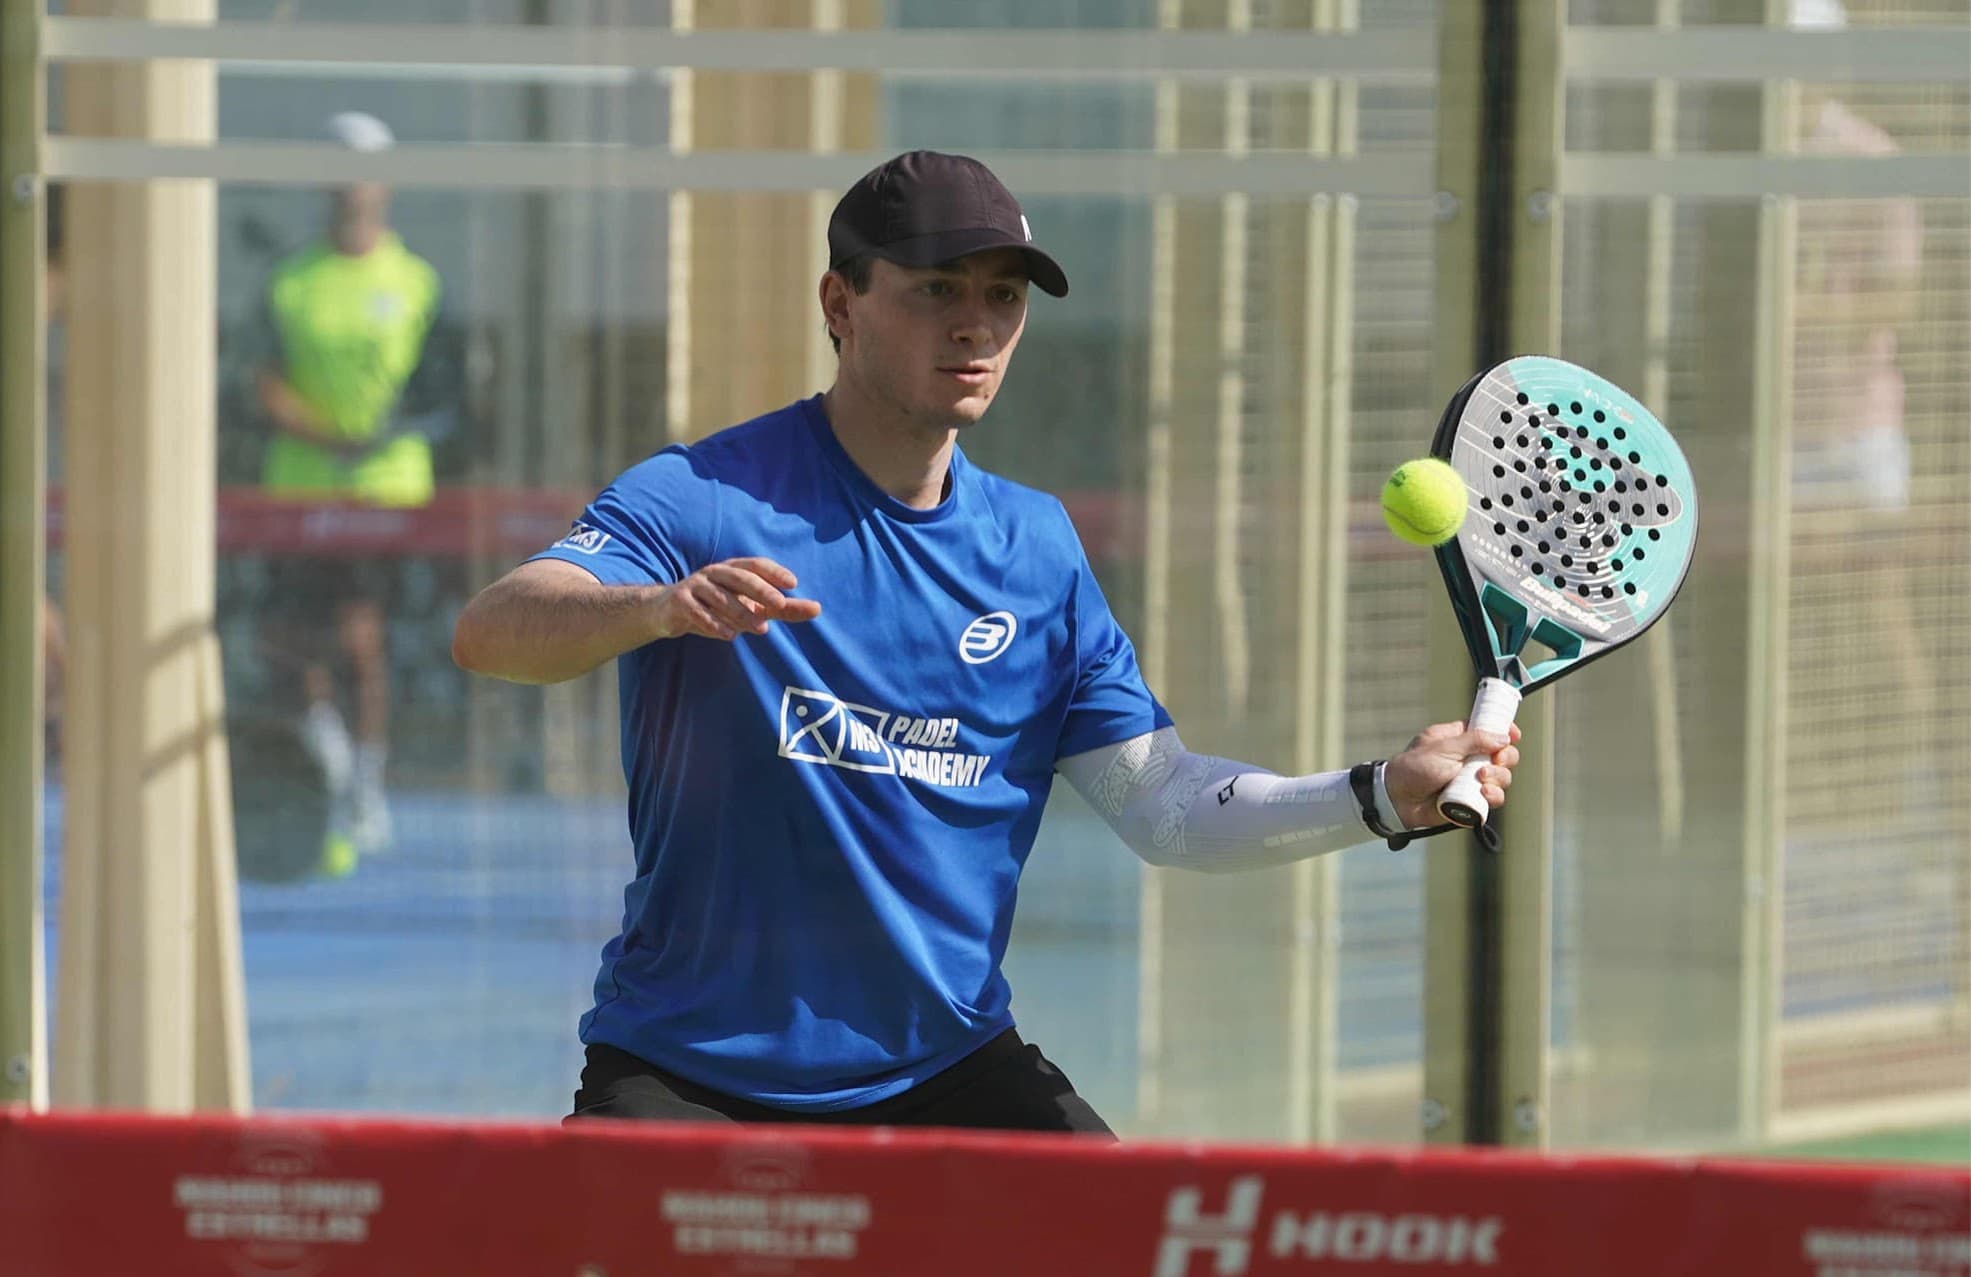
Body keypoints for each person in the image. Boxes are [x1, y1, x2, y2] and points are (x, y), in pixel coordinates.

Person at [451, 151, 1520, 1135]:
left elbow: (1165, 804)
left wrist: (1381, 791)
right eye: (935, 290)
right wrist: (655, 608)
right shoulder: (704, 495)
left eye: (1001, 297)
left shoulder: (1036, 549)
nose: (976, 326)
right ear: (842, 302)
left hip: (944, 1072)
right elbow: (493, 629)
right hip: (688, 1074)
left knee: (1156, 1236)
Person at [247, 111, 456, 868]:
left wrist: (390, 432)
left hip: (386, 494)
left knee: (363, 640)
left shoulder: (418, 282)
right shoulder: (291, 281)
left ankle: (366, 781)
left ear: (385, 184)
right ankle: (328, 756)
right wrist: (325, 435)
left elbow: (445, 389)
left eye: (365, 171)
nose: (352, 189)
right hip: (299, 494)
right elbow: (260, 380)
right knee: (292, 638)